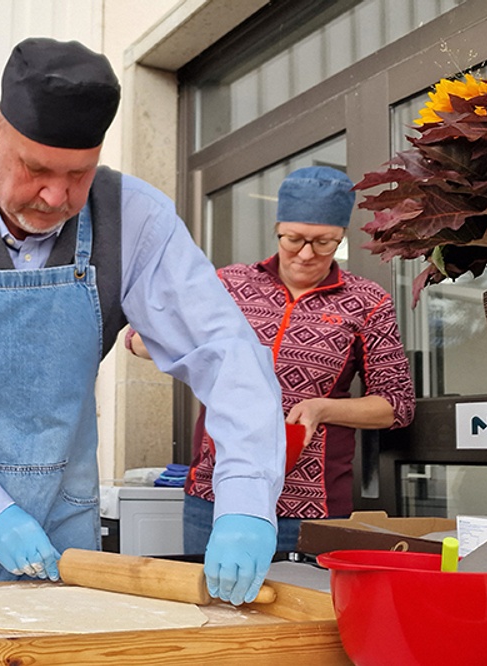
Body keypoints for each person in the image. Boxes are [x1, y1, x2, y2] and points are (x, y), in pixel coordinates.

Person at [0, 37, 285, 606]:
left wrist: (245, 500)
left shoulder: (134, 218)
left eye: (79, 174)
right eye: (36, 168)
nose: (55, 195)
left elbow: (227, 354)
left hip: (67, 543)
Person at [127, 166, 416, 555]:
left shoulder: (368, 301)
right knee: (214, 611)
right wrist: (157, 340)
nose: (306, 254)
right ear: (277, 228)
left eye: (325, 243)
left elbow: (395, 406)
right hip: (215, 498)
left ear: (341, 237)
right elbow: (140, 337)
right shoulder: (229, 284)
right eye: (293, 239)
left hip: (312, 508)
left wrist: (320, 409)